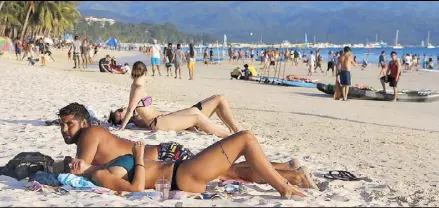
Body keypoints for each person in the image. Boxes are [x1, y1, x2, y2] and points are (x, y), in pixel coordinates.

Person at [58, 103, 316, 189]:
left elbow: (85, 167)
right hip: (162, 156)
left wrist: (66, 167)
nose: (64, 129)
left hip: (164, 155)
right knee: (224, 171)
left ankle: (290, 174)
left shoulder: (90, 134)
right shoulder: (90, 135)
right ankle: (287, 169)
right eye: (62, 125)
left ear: (83, 123)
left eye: (69, 124)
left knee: (228, 172)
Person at [118, 61, 239, 138]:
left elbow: (134, 109)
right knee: (197, 117)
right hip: (157, 123)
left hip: (161, 118)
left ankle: (236, 131)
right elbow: (130, 109)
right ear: (145, 72)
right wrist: (121, 128)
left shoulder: (136, 86)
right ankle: (228, 136)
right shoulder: (138, 89)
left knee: (201, 108)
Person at [109, 94, 240, 134]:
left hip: (184, 114)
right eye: (120, 119)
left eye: (120, 113)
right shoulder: (138, 117)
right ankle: (231, 134)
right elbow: (155, 123)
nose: (122, 115)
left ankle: (234, 130)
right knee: (197, 115)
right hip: (182, 120)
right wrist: (123, 126)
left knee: (220, 99)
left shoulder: (139, 112)